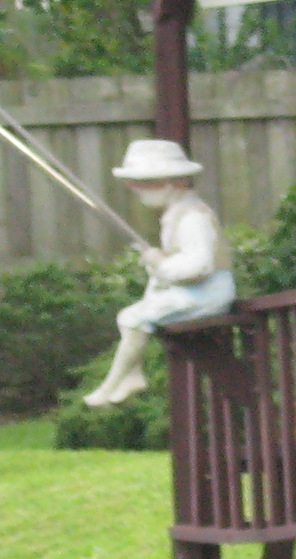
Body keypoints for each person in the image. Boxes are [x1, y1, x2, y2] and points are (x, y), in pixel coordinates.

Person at [82, 138, 236, 408]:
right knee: (128, 317)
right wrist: (159, 262)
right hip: (193, 291)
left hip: (208, 293)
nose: (138, 191)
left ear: (169, 183)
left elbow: (199, 266)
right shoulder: (176, 214)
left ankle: (111, 385)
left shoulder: (192, 218)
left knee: (133, 319)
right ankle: (132, 376)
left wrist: (161, 264)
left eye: (145, 184)